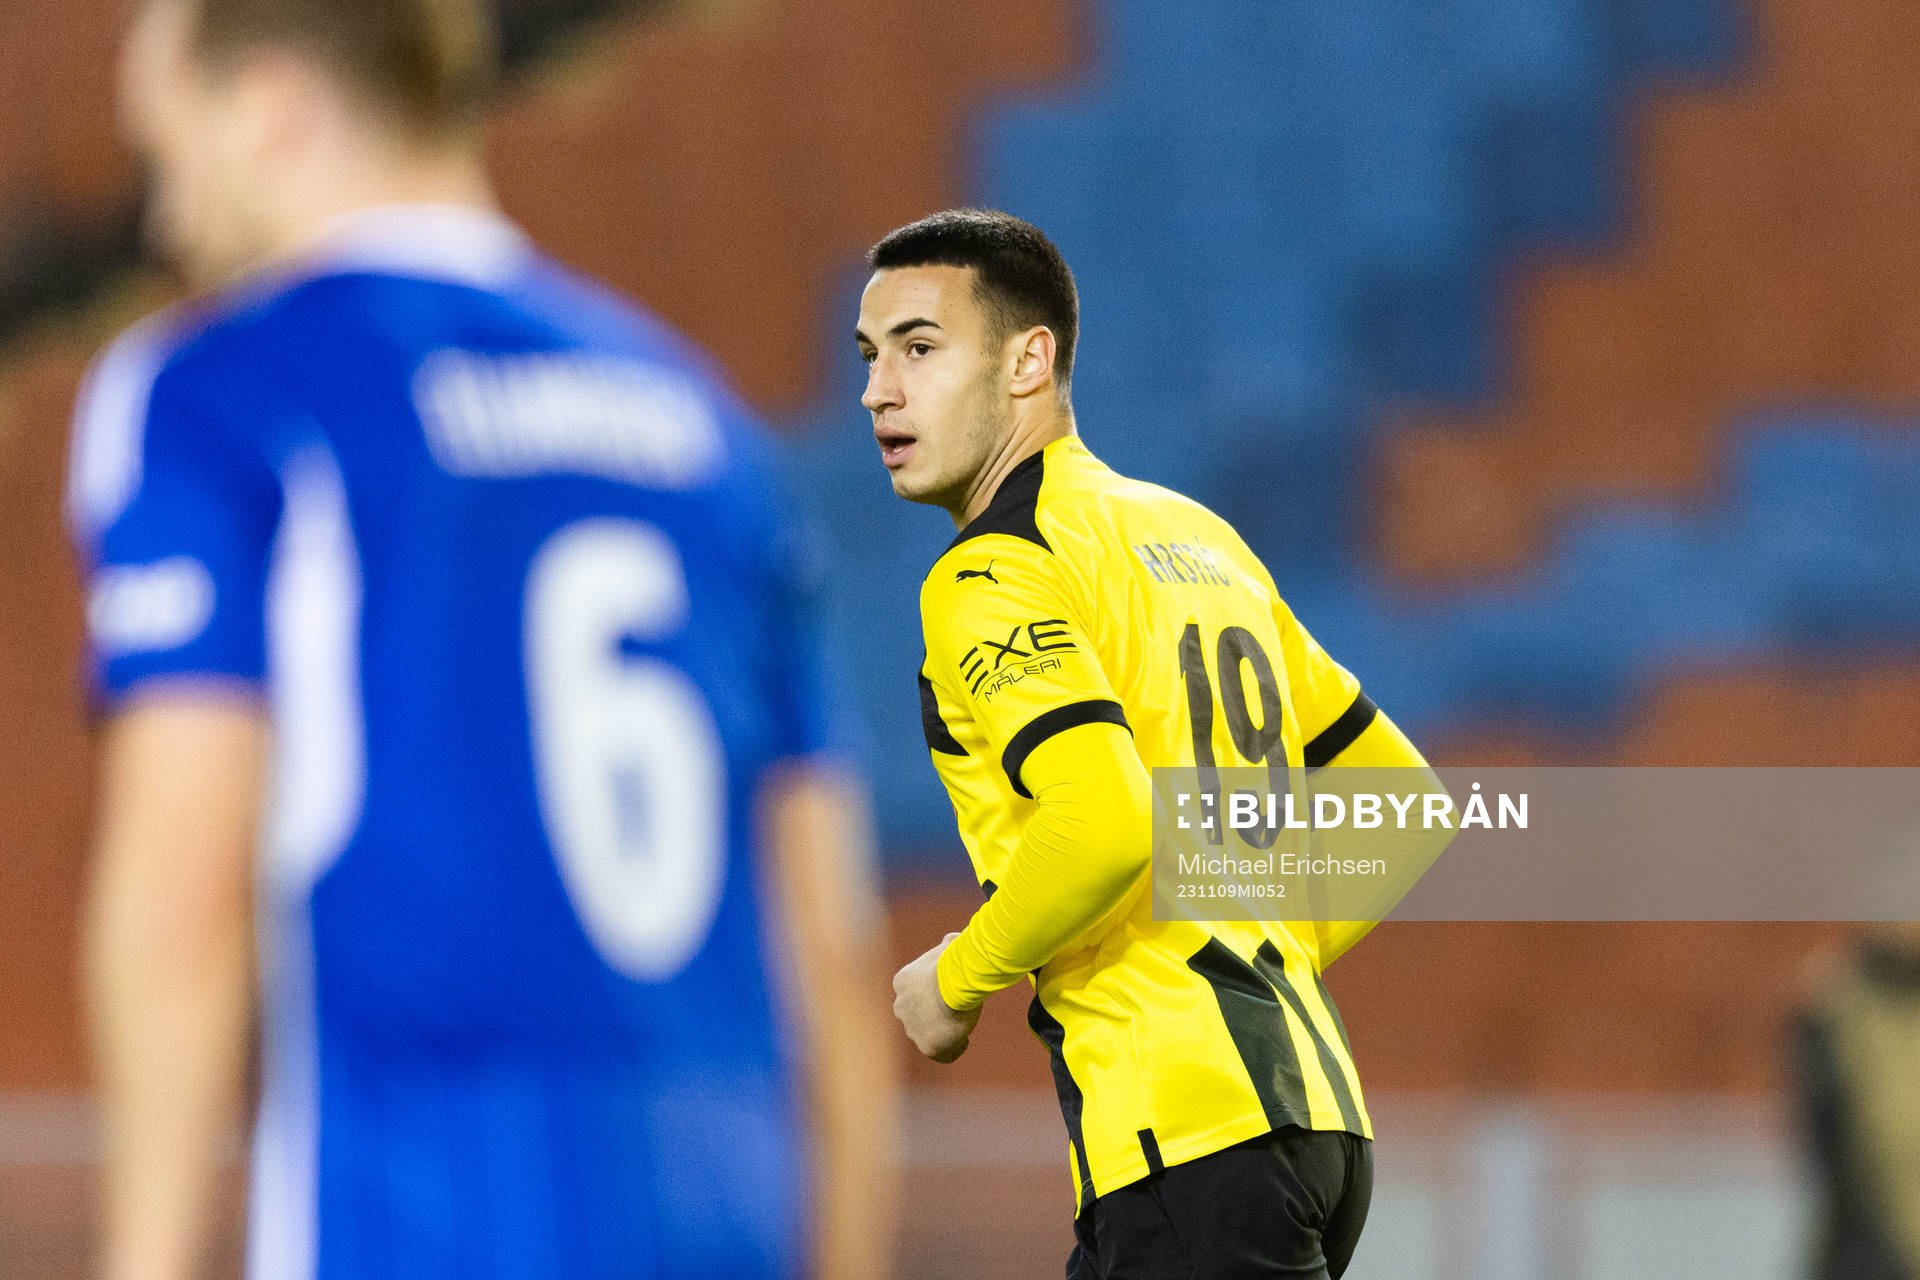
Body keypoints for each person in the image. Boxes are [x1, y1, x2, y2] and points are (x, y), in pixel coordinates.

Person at [73, 2, 897, 1277]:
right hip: (724, 1211)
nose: (169, 222)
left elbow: (181, 890)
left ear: (274, 105)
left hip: (420, 1211)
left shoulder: (222, 389)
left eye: (170, 158)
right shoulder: (711, 436)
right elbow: (831, 949)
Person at [860, 209, 1431, 1279]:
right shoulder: (1193, 535)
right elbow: (1400, 801)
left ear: (1031, 360)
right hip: (1310, 1117)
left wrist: (961, 974)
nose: (878, 390)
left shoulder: (991, 571)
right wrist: (1255, 944)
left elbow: (1105, 816)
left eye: (920, 348)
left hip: (1187, 1138)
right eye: (870, 354)